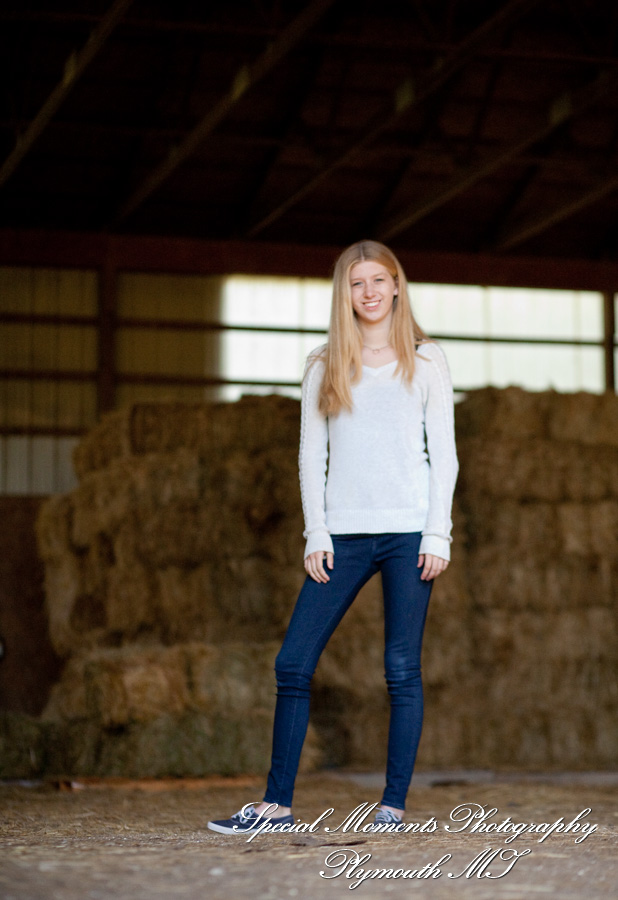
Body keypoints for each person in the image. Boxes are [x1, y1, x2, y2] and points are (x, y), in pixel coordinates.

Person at [208, 239, 458, 835]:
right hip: (342, 535)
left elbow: (444, 456)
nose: (369, 292)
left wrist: (437, 533)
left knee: (400, 668)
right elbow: (309, 454)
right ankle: (276, 806)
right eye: (356, 282)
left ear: (397, 285)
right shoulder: (324, 363)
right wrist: (315, 530)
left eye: (379, 279)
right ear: (344, 293)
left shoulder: (427, 360)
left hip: (407, 533)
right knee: (293, 662)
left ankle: (393, 808)